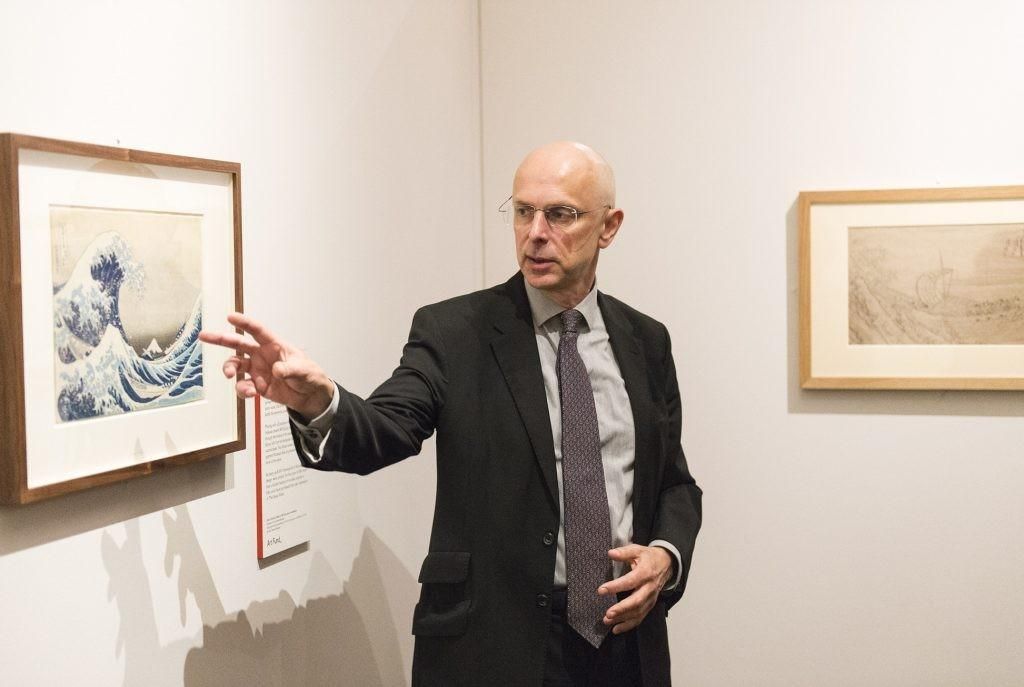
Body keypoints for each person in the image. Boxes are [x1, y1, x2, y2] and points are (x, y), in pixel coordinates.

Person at [200, 141, 702, 686]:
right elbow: (387, 429)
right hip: (493, 645)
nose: (535, 233)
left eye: (560, 214)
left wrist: (665, 557)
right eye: (523, 211)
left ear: (609, 226)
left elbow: (674, 484)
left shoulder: (645, 342)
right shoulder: (454, 332)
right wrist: (318, 401)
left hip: (625, 645)